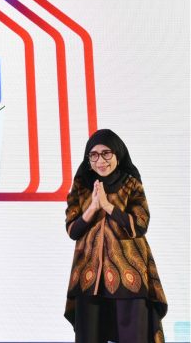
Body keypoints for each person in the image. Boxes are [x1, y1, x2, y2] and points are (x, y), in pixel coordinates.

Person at [64, 129, 167, 343]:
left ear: (117, 155)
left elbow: (140, 224)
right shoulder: (82, 185)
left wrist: (108, 206)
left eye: (106, 153)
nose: (100, 161)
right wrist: (93, 207)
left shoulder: (131, 183)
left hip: (129, 277)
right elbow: (72, 230)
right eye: (94, 155)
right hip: (89, 279)